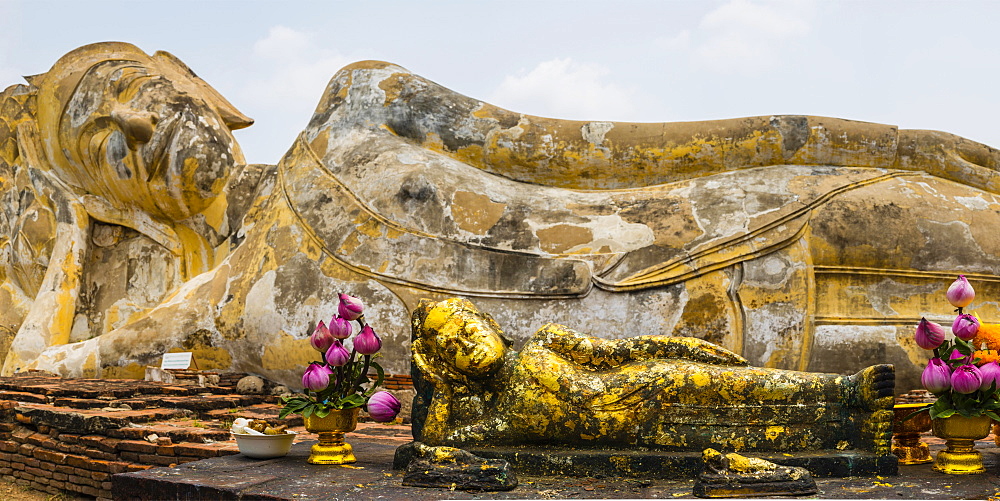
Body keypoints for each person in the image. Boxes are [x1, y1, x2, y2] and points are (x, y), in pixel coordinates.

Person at [410, 297, 895, 453]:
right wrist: (440, 385)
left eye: (468, 328)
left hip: (645, 383)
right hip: (639, 430)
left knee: (743, 388)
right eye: (450, 347)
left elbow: (619, 352)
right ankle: (846, 427)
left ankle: (845, 388)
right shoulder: (501, 418)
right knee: (738, 434)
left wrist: (687, 350)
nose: (467, 343)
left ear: (490, 324)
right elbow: (436, 443)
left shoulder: (544, 341)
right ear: (446, 366)